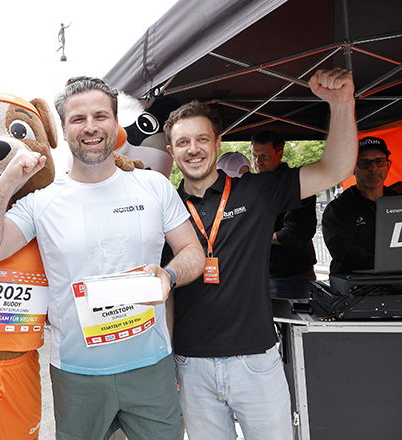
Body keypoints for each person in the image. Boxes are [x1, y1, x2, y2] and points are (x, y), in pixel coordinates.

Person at [0, 76, 205, 440]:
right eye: (78, 119)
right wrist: (7, 183)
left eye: (100, 116)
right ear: (64, 129)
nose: (90, 127)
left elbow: (192, 252)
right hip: (78, 376)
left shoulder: (152, 186)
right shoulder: (42, 200)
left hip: (151, 368)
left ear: (115, 122)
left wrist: (168, 277)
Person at [163, 67, 357, 439]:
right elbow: (165, 291)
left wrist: (342, 104)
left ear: (218, 143)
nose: (193, 149)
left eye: (202, 139)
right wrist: (169, 359)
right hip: (191, 365)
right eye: (183, 142)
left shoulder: (257, 191)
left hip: (255, 361)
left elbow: (335, 168)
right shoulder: (165, 209)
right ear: (172, 152)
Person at [322, 136, 398, 292]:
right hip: (355, 291)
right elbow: (342, 251)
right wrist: (384, 265)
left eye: (379, 161)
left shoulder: (398, 201)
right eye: (364, 163)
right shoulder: (337, 209)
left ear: (388, 166)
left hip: (396, 285)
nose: (373, 168)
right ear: (352, 169)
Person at [251, 130, 318, 299]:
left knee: (292, 316)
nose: (258, 162)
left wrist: (259, 236)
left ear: (279, 154)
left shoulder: (297, 184)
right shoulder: (255, 184)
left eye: (265, 156)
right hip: (262, 273)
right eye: (254, 156)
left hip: (291, 275)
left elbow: (296, 233)